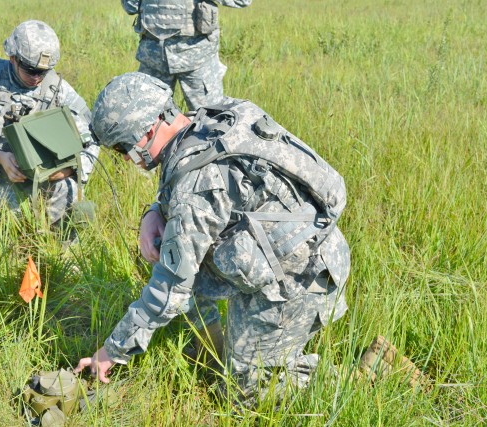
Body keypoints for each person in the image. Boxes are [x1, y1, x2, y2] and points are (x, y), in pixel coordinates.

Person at [75, 72, 351, 405]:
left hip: (299, 284)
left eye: (123, 148)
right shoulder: (211, 118)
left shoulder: (196, 187)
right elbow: (203, 189)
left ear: (147, 131)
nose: (125, 158)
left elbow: (170, 288)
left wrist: (112, 350)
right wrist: (154, 212)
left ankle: (351, 378)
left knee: (243, 395)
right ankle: (219, 347)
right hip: (306, 251)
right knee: (171, 249)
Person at [0, 20, 100, 229]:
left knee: (68, 190)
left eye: (43, 72)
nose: (37, 78)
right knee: (7, 219)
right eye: (30, 70)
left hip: (42, 169)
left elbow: (91, 137)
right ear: (13, 58)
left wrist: (69, 171)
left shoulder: (57, 88)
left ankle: (61, 253)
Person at [121, 0, 252, 111]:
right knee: (147, 124)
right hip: (157, 59)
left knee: (210, 123)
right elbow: (130, 5)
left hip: (195, 60)